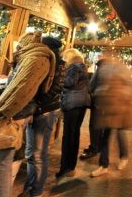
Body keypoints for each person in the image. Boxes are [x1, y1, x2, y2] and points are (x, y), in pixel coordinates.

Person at [0, 31, 54, 197]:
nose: (18, 50)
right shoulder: (38, 57)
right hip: (23, 112)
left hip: (15, 114)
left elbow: (22, 90)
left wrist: (5, 113)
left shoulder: (35, 59)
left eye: (20, 46)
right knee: (7, 161)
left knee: (4, 163)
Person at [23, 36, 65, 197]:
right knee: (31, 153)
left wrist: (37, 107)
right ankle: (30, 186)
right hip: (40, 110)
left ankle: (37, 190)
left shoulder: (57, 64)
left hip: (44, 112)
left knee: (39, 154)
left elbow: (54, 89)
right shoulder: (48, 61)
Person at [90, 54, 132, 177]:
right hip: (115, 108)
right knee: (115, 134)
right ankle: (121, 158)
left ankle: (105, 165)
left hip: (113, 108)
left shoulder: (102, 69)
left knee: (107, 136)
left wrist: (100, 92)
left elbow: (91, 86)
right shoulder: (122, 69)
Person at [56, 49, 90, 178]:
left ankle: (65, 167)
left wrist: (60, 78)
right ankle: (71, 166)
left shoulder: (73, 67)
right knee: (74, 134)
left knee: (68, 136)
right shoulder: (82, 66)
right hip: (81, 103)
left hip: (72, 103)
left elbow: (69, 83)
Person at [81, 53, 104, 160]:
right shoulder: (109, 69)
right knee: (99, 126)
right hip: (104, 103)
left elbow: (92, 85)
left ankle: (94, 148)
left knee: (94, 126)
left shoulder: (100, 68)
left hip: (98, 101)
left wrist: (89, 91)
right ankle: (98, 147)